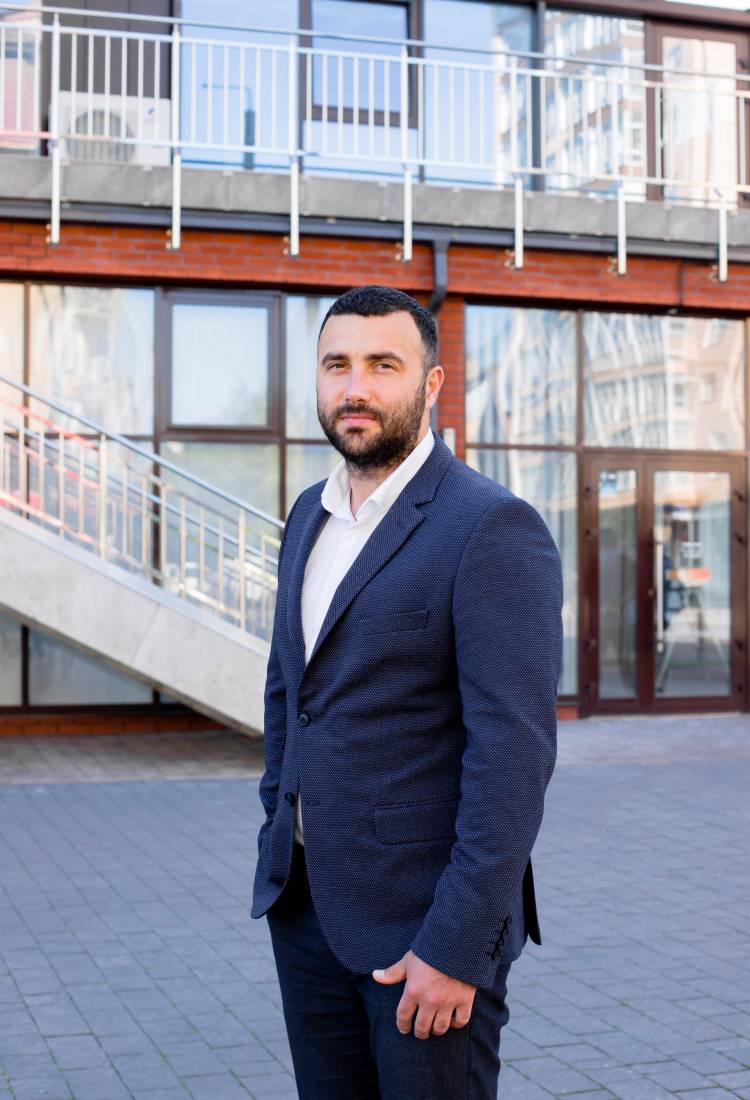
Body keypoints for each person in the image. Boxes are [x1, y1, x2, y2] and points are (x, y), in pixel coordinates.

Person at [250, 285, 563, 1098]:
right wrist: (277, 822)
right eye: (337, 365)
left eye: (382, 365)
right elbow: (290, 690)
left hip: (424, 932)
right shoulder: (308, 516)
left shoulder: (490, 526)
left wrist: (457, 947)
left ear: (431, 384)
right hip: (305, 909)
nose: (355, 387)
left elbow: (513, 758)